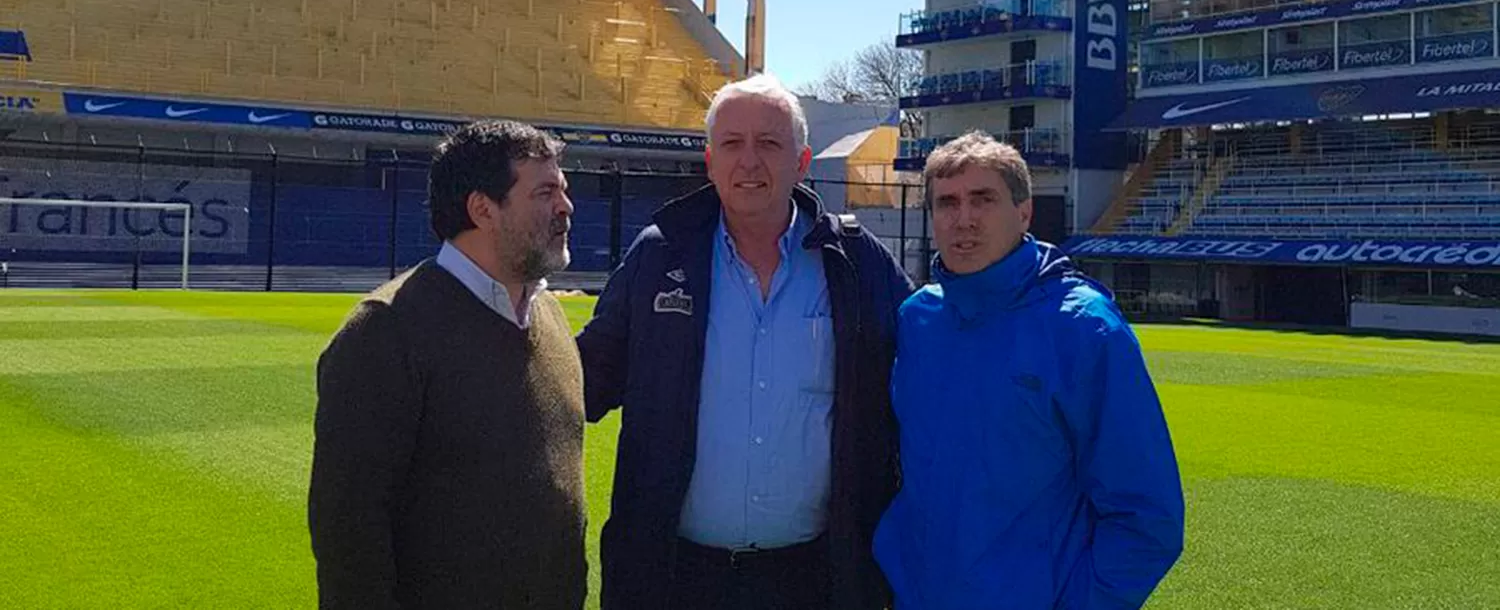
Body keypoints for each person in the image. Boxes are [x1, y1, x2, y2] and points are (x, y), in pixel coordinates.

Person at [577, 74, 914, 610]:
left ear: (802, 163)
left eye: (770, 144)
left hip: (813, 580)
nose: (749, 161)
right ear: (710, 162)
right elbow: (585, 380)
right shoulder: (659, 256)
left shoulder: (856, 262)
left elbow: (925, 369)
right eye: (732, 144)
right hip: (674, 577)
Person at [873, 131, 1184, 610]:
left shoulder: (1083, 330)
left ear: (1024, 212)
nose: (964, 219)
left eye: (984, 200)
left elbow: (1146, 517)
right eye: (947, 203)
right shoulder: (918, 320)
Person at [308, 119, 586, 610]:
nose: (566, 207)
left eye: (562, 189)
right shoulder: (385, 331)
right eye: (544, 193)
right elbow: (348, 530)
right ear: (483, 209)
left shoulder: (552, 317)